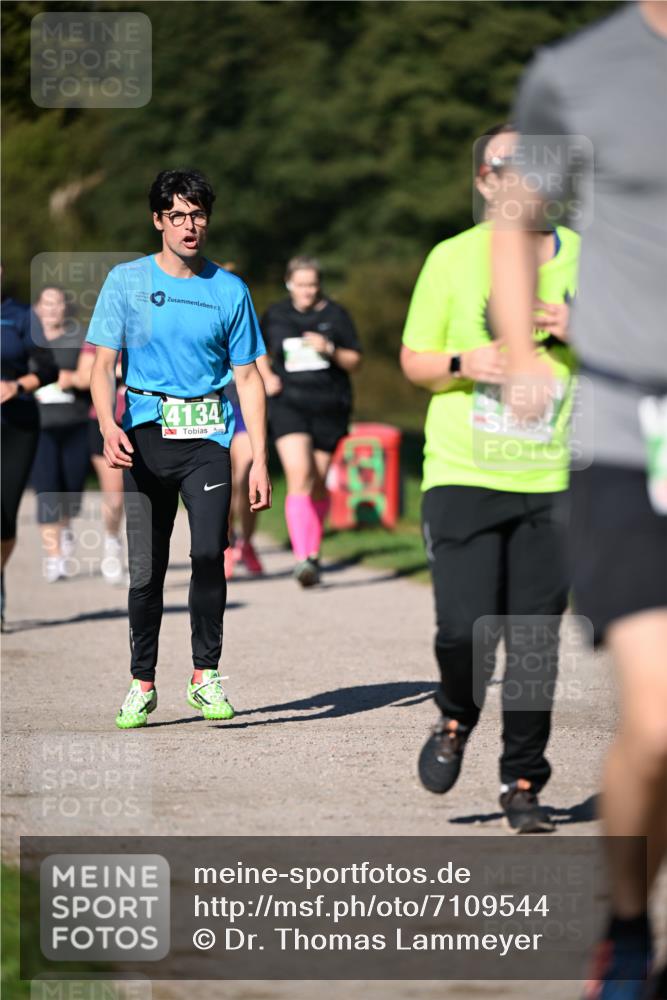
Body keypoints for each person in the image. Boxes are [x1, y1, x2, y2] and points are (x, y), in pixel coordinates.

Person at [490, 3, 667, 996]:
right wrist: (519, 350)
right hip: (630, 430)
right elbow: (516, 216)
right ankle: (628, 930)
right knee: (660, 719)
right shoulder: (578, 73)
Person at [400, 124, 580, 833]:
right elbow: (414, 360)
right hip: (464, 472)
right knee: (463, 630)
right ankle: (454, 713)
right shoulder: (451, 257)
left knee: (534, 641)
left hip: (557, 476)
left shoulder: (588, 260)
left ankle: (523, 780)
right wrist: (462, 364)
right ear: (484, 180)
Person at [87, 168, 271, 729]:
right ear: (158, 220)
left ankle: (204, 675)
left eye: (198, 215)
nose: (190, 226)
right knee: (147, 569)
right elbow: (102, 364)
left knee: (210, 552)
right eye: (178, 215)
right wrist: (107, 424)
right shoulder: (126, 281)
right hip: (145, 436)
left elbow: (249, 378)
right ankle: (142, 682)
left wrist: (260, 458)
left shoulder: (229, 290)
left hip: (208, 439)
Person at [261, 256, 362, 587]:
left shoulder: (336, 315)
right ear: (289, 283)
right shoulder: (276, 315)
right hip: (288, 405)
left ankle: (313, 553)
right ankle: (302, 558)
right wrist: (267, 377)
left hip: (329, 407)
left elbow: (355, 360)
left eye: (312, 285)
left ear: (319, 285)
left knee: (317, 481)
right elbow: (254, 350)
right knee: (299, 473)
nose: (307, 291)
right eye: (301, 284)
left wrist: (329, 348)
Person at [1, 276, 59, 629]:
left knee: (5, 516)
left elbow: (48, 368)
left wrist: (17, 385)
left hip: (16, 427)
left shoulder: (22, 316)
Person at [30, 285, 91, 583]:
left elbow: (91, 375)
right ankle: (54, 556)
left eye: (57, 303)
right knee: (46, 487)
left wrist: (72, 379)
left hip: (75, 422)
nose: (52, 309)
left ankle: (65, 528)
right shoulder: (27, 338)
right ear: (37, 308)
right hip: (37, 426)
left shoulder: (79, 337)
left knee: (71, 488)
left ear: (66, 307)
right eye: (47, 303)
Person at [223, 353, 281, 579]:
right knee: (223, 484)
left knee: (246, 477)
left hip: (244, 408)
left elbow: (260, 358)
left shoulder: (247, 331)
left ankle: (246, 542)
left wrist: (269, 378)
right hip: (213, 407)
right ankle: (226, 543)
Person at [78, 341, 126, 584]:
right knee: (115, 499)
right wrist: (119, 370)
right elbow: (83, 376)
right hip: (107, 426)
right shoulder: (102, 331)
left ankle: (142, 557)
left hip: (148, 422)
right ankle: (112, 542)